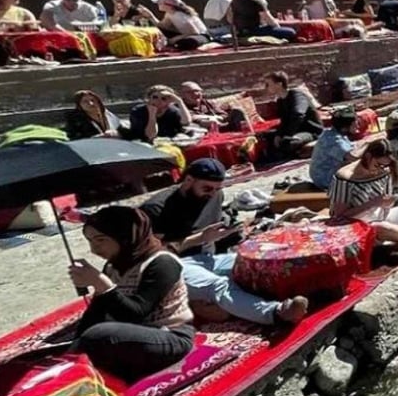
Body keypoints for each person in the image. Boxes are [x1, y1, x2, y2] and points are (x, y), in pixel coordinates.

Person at [140, 159, 309, 326]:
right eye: (207, 188)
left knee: (253, 263)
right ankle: (276, 313)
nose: (212, 194)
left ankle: (205, 303)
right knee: (219, 285)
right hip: (171, 267)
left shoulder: (215, 196)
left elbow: (214, 225)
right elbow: (151, 257)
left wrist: (227, 232)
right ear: (189, 180)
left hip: (207, 257)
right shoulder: (156, 209)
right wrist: (199, 239)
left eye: (217, 189)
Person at [65, 206, 194, 382]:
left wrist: (102, 284)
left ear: (125, 237)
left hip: (169, 335)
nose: (94, 250)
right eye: (90, 241)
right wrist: (72, 348)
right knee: (91, 337)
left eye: (100, 240)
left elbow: (137, 313)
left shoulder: (162, 263)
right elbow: (98, 311)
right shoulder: (113, 265)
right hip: (133, 335)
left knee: (101, 335)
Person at [260, 71, 323, 157]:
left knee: (288, 142)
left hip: (310, 131)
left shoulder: (297, 95)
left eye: (268, 84)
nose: (266, 87)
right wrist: (279, 134)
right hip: (296, 131)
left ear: (279, 84)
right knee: (266, 136)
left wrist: (286, 135)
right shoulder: (280, 101)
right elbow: (284, 121)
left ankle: (311, 147)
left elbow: (298, 115)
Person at [308, 106, 363, 190]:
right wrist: (368, 143)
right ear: (345, 127)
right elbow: (353, 157)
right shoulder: (335, 141)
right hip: (325, 179)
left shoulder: (333, 132)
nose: (358, 126)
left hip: (325, 172)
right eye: (355, 124)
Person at [230, 0, 297, 42]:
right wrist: (278, 28)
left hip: (240, 30)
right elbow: (270, 20)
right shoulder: (256, 1)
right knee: (290, 31)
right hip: (254, 30)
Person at [122, 85, 192, 143]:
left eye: (163, 98)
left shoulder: (172, 110)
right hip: (142, 141)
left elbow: (186, 122)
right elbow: (150, 135)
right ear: (149, 98)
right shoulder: (138, 111)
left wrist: (179, 101)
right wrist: (152, 114)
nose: (159, 101)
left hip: (168, 141)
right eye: (155, 97)